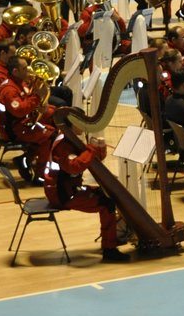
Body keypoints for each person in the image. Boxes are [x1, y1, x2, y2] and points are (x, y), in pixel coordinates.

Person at [40, 111, 128, 262]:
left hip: (68, 189)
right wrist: (92, 149)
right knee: (107, 204)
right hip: (62, 194)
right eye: (82, 121)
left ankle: (110, 239)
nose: (85, 125)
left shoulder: (70, 139)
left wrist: (99, 148)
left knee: (106, 195)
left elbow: (91, 159)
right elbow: (74, 166)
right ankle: (109, 249)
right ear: (73, 124)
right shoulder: (63, 144)